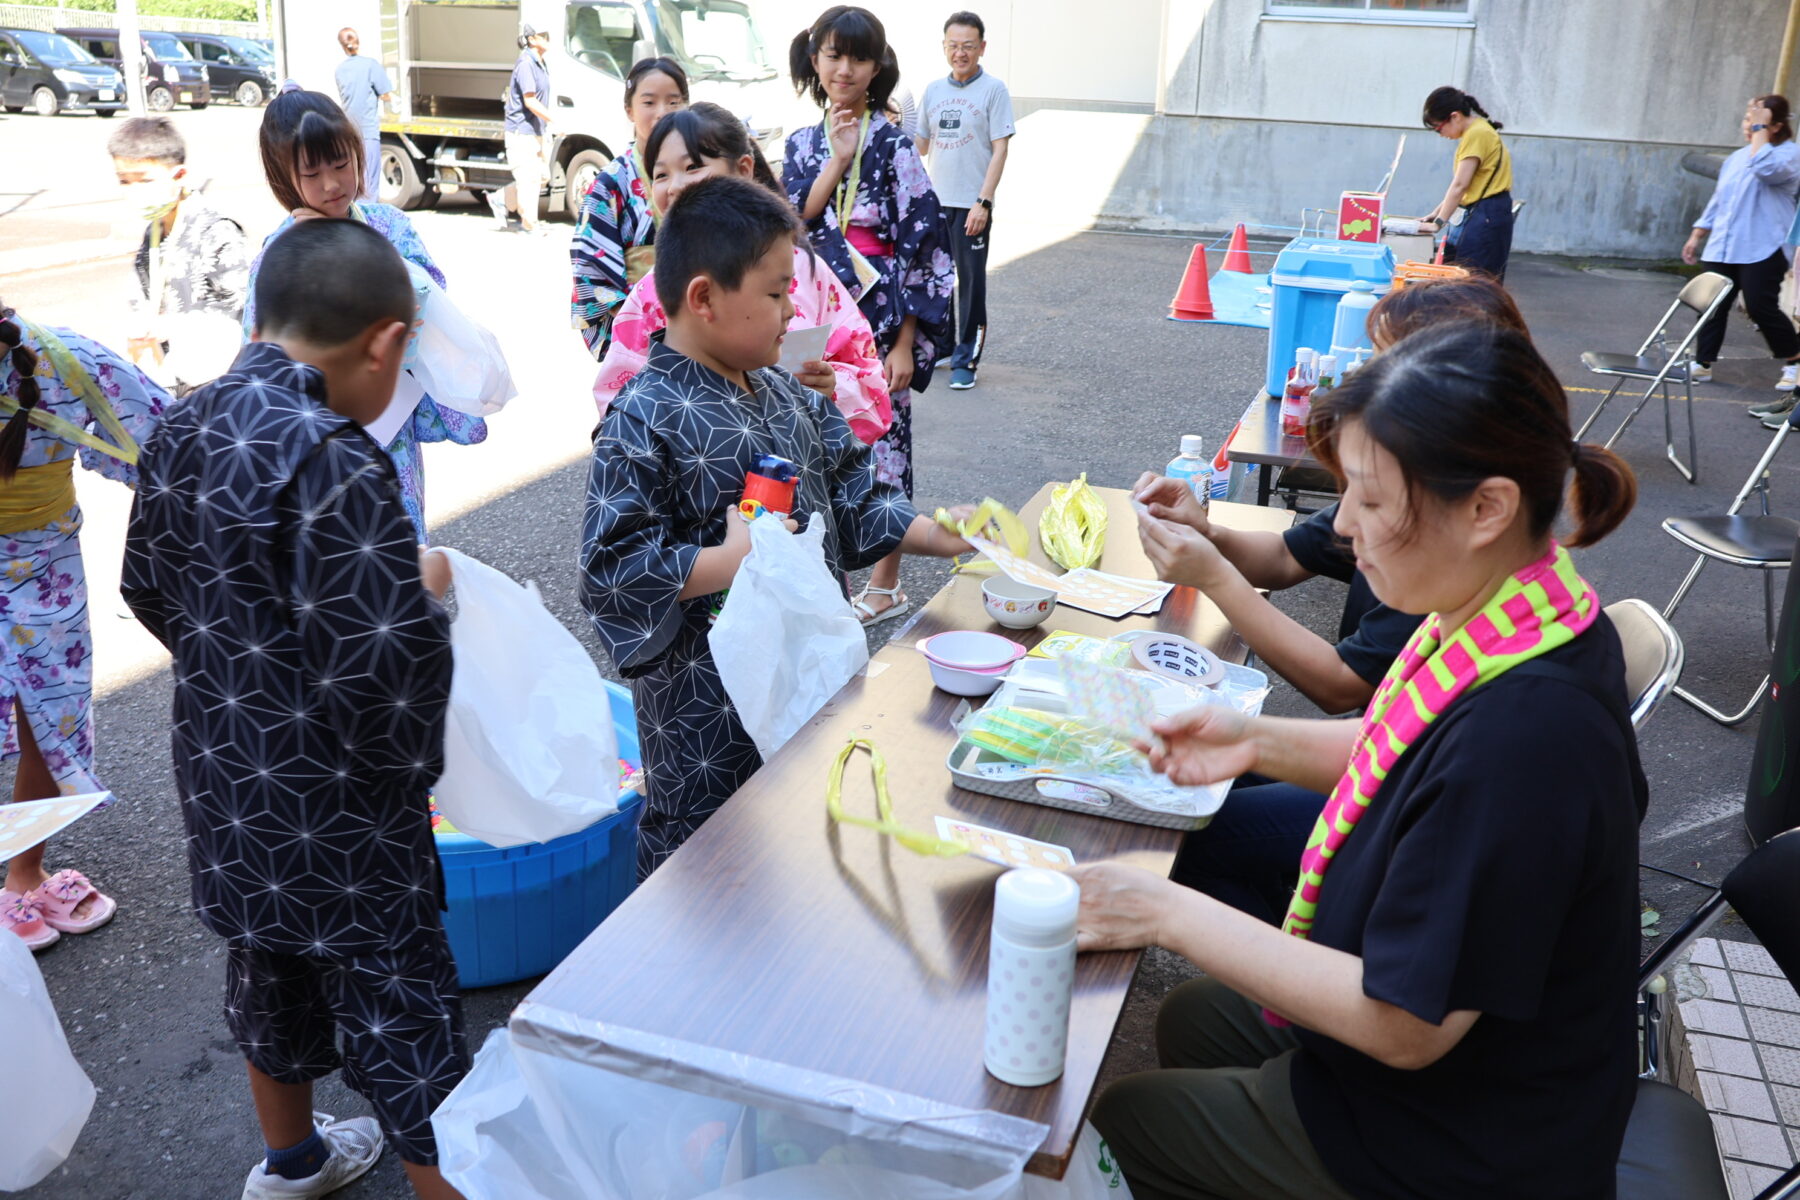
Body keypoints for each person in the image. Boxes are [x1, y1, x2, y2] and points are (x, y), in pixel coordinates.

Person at [1077, 321, 1644, 1200]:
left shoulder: (1530, 739)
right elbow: (1404, 745)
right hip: (1453, 1073)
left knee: (1125, 1124)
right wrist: (1254, 741)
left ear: (1486, 508)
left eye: (1372, 502)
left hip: (1467, 1139)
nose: (1343, 525)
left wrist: (1162, 910)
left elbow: (1406, 1025)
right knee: (1194, 1016)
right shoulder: (1524, 609)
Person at [122, 218, 466, 1200]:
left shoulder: (180, 429)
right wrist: (429, 595)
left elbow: (151, 588)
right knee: (408, 1033)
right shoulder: (333, 457)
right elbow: (384, 674)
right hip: (346, 825)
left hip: (230, 793)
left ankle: (292, 1163)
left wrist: (244, 674)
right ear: (386, 344)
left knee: (266, 982)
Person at [580, 175, 973, 878]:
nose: (794, 310)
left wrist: (939, 533)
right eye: (775, 293)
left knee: (807, 847)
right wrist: (728, 561)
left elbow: (854, 505)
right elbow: (610, 569)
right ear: (702, 297)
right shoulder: (642, 417)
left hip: (807, 682)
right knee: (708, 876)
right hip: (703, 715)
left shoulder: (795, 395)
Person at [1134, 275, 1533, 924]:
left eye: (1387, 364)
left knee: (1195, 833)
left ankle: (1282, 952)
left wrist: (1170, 919)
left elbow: (1348, 694)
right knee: (1203, 784)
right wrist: (1208, 531)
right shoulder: (1444, 541)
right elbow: (1291, 556)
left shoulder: (1451, 572)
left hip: (1390, 810)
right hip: (1382, 762)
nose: (1345, 525)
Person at [246, 86, 488, 541]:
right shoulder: (279, 255)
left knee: (399, 543)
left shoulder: (389, 225)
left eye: (341, 164)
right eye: (312, 173)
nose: (332, 183)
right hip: (316, 440)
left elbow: (431, 294)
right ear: (284, 177)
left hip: (389, 424)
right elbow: (261, 356)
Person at [0, 302, 168, 952]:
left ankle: (21, 875)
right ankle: (22, 874)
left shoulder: (56, 356)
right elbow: (164, 434)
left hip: (44, 566)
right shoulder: (59, 356)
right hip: (45, 572)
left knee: (44, 725)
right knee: (47, 721)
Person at [783, 5, 954, 627]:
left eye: (858, 57)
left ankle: (886, 583)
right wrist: (835, 160)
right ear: (814, 59)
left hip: (879, 326)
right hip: (815, 320)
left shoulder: (895, 146)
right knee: (815, 448)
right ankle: (831, 577)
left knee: (885, 444)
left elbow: (924, 244)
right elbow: (789, 225)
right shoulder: (802, 143)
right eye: (832, 54)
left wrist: (906, 342)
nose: (844, 68)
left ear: (877, 66)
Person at [593, 103, 892, 444]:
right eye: (660, 174)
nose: (674, 187)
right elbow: (618, 403)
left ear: (744, 169)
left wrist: (833, 385)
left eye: (692, 167)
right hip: (698, 478)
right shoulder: (651, 294)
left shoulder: (807, 270)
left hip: (803, 471)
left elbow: (865, 370)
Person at [107, 115, 249, 397]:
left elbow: (242, 315)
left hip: (218, 387)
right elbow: (141, 301)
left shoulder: (217, 231)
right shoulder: (154, 231)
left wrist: (169, 326)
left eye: (145, 180)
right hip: (171, 383)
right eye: (124, 181)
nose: (134, 192)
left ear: (180, 175)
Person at [913, 10, 1014, 391]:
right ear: (944, 47)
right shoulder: (934, 91)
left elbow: (1000, 149)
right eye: (954, 46)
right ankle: (941, 346)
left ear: (982, 48)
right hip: (936, 203)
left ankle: (966, 357)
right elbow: (922, 145)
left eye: (968, 46)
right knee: (937, 280)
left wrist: (983, 202)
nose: (961, 53)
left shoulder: (994, 90)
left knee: (970, 283)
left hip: (972, 204)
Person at [1683, 94, 1800, 416]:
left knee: (1761, 307)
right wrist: (1698, 234)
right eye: (1748, 120)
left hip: (1764, 245)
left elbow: (1764, 168)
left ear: (1777, 126)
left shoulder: (1789, 155)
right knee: (1711, 306)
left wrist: (1760, 130)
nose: (1749, 127)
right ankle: (1702, 362)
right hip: (1725, 244)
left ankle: (1794, 362)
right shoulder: (1735, 158)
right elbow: (1719, 201)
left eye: (1758, 121)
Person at [570, 56, 690, 356]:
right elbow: (591, 266)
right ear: (629, 110)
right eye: (649, 102)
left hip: (702, 325)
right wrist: (639, 324)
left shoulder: (703, 172)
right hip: (636, 331)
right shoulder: (611, 182)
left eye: (673, 102)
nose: (662, 112)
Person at [1419, 86, 1513, 281]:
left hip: (1486, 215)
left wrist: (1438, 223)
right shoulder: (1478, 131)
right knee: (1464, 280)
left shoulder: (1477, 134)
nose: (1441, 133)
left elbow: (1461, 185)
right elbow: (1465, 186)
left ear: (1455, 116)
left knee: (1473, 282)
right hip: (1483, 212)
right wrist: (1436, 213)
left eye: (1439, 127)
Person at [492, 24, 552, 235]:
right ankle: (529, 226)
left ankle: (502, 197)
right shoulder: (526, 64)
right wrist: (553, 119)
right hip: (521, 131)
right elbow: (530, 101)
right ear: (532, 39)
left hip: (536, 129)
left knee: (543, 176)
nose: (548, 38)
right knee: (530, 179)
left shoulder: (540, 62)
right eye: (543, 35)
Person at [333, 27, 394, 199]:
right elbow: (386, 94)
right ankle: (368, 222)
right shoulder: (370, 65)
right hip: (368, 131)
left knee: (355, 182)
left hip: (349, 132)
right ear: (358, 42)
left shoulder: (340, 70)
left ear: (342, 46)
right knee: (370, 184)